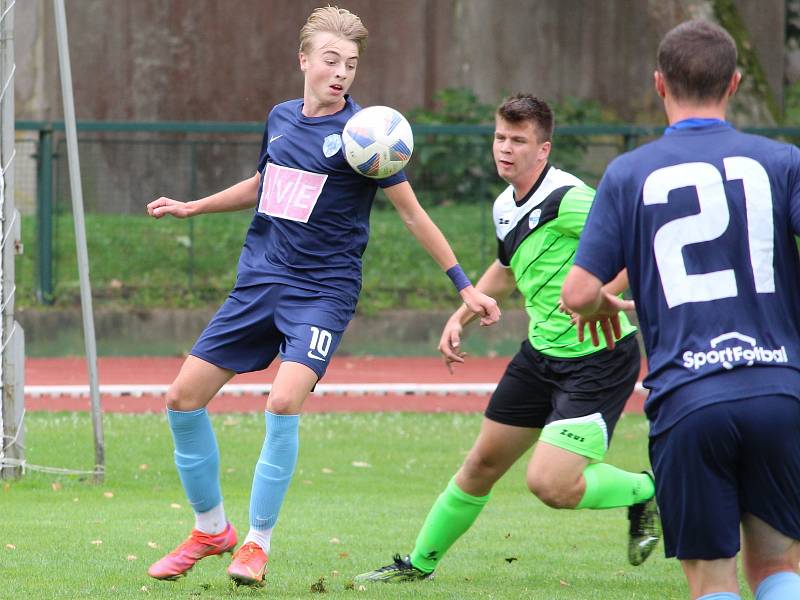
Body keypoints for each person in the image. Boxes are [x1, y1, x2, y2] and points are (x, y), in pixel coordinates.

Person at [144, 6, 500, 588]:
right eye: (331, 60)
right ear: (304, 60)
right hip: (259, 282)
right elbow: (265, 182)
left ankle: (256, 545)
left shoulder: (367, 137)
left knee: (282, 402)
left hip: (321, 292)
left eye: (351, 64)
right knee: (182, 397)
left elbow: (412, 216)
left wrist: (464, 285)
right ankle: (211, 530)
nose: (341, 73)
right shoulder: (280, 118)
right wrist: (194, 206)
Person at [354, 94, 660, 585]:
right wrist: (462, 313)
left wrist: (604, 293)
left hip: (597, 358)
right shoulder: (505, 204)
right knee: (481, 463)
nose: (506, 149)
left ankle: (650, 490)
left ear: (544, 150)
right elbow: (504, 267)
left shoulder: (569, 197)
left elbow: (639, 242)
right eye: (500, 138)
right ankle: (417, 566)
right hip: (541, 355)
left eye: (519, 141)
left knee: (550, 484)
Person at [561, 20, 800, 600]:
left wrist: (599, 302)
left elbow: (576, 294)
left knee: (712, 577)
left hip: (690, 400)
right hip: (778, 391)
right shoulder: (782, 161)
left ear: (659, 84)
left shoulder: (628, 174)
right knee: (777, 567)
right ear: (736, 83)